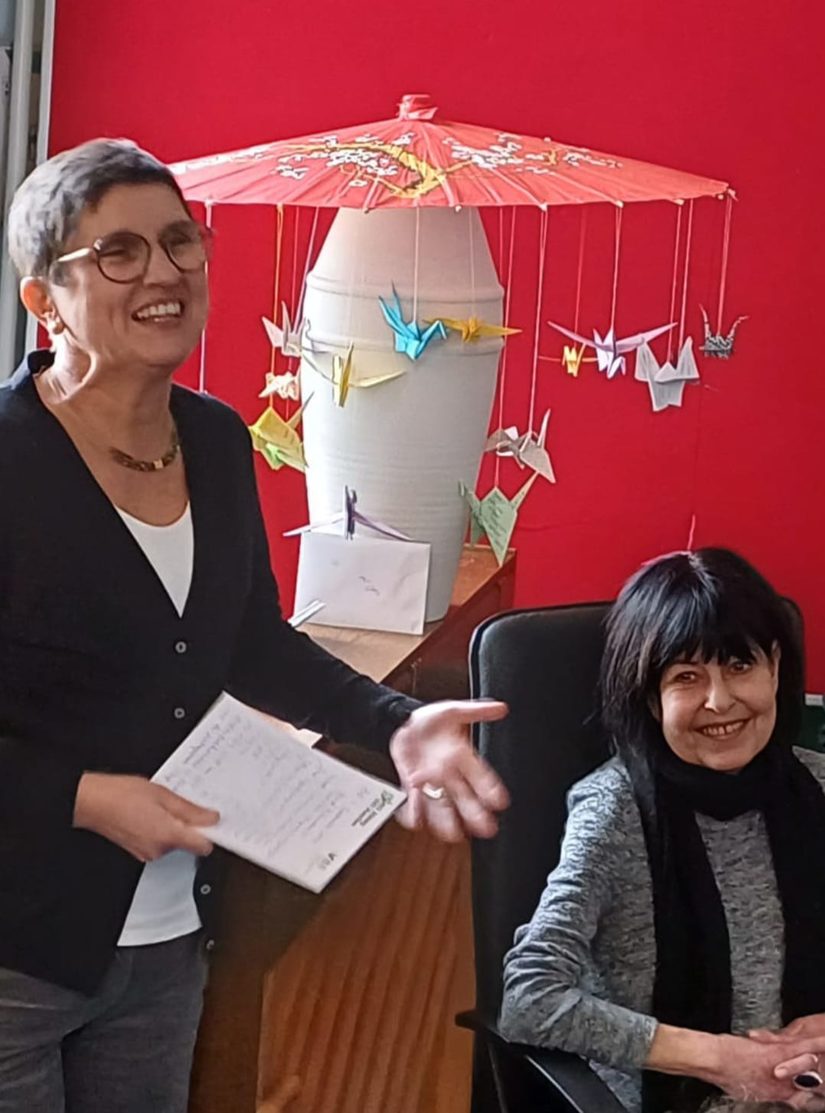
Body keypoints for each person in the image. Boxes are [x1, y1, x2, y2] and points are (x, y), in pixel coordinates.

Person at [0, 138, 510, 1113]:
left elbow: (252, 642)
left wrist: (397, 722)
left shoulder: (216, 439)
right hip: (17, 952)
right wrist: (84, 798)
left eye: (180, 241)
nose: (163, 272)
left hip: (167, 939)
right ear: (44, 299)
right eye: (119, 252)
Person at [499, 548, 825, 1113]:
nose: (719, 701)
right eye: (686, 677)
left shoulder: (818, 787)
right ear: (651, 697)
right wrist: (718, 1060)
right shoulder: (615, 811)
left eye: (740, 666)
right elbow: (530, 996)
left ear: (774, 667)